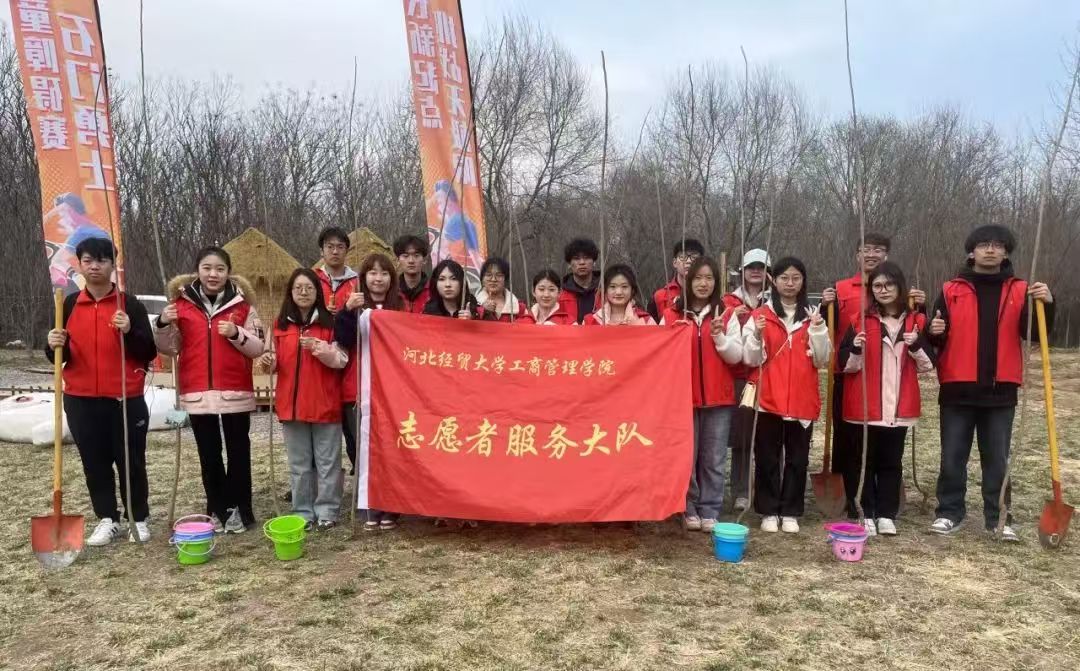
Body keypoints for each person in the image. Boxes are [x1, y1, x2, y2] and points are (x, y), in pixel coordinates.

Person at [927, 225, 1053, 542]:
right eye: (984, 244)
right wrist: (933, 330)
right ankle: (949, 512)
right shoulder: (950, 290)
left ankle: (998, 517)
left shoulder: (1021, 289)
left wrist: (1047, 304)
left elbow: (1034, 334)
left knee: (997, 459)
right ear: (972, 252)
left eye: (998, 245)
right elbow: (936, 338)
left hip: (1000, 390)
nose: (991, 250)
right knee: (952, 456)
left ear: (1006, 252)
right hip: (957, 387)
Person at [45, 237, 156, 545]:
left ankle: (138, 517)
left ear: (112, 265)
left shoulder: (129, 305)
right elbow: (59, 355)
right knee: (94, 462)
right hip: (80, 399)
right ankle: (108, 518)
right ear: (79, 264)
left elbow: (147, 351)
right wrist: (52, 344)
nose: (95, 266)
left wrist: (129, 330)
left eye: (102, 260)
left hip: (124, 398)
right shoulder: (67, 305)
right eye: (88, 260)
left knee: (131, 460)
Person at [154, 247, 265, 534]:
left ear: (228, 272)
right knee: (209, 454)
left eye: (219, 269)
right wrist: (163, 323)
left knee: (239, 453)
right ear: (197, 270)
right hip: (197, 391)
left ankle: (241, 509)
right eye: (207, 268)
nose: (213, 274)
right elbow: (169, 348)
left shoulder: (243, 306)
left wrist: (236, 333)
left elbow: (258, 347)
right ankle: (217, 508)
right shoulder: (181, 305)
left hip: (235, 389)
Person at [820, 233, 925, 515]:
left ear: (886, 255)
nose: (871, 254)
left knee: (884, 442)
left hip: (890, 375)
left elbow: (917, 330)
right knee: (848, 438)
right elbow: (827, 324)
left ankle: (883, 496)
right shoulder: (841, 288)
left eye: (878, 250)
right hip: (849, 369)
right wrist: (825, 306)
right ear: (857, 255)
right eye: (865, 249)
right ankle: (849, 493)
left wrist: (921, 307)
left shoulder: (902, 292)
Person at [837, 262, 933, 537]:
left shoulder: (917, 321)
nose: (883, 290)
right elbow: (846, 366)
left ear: (899, 286)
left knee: (891, 461)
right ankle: (864, 511)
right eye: (877, 285)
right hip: (865, 405)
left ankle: (886, 513)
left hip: (899, 404)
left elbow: (928, 365)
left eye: (889, 284)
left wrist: (916, 345)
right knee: (863, 461)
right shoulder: (859, 320)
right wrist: (856, 349)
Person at [742, 256, 831, 534]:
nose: (790, 283)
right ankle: (768, 509)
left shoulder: (813, 316)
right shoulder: (761, 315)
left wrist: (818, 329)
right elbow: (750, 359)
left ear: (803, 281)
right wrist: (756, 336)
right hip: (768, 398)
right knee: (767, 457)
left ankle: (791, 510)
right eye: (784, 278)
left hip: (802, 398)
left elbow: (822, 359)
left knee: (798, 458)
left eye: (796, 278)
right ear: (774, 281)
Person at [258, 269, 349, 531]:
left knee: (327, 463)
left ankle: (328, 510)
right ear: (291, 292)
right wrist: (268, 361)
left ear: (317, 292)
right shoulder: (279, 325)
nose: (304, 292)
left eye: (309, 287)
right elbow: (270, 360)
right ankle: (303, 512)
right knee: (299, 465)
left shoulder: (331, 323)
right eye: (298, 288)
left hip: (324, 404)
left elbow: (342, 360)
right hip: (292, 406)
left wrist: (321, 348)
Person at [661, 256, 743, 532]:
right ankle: (688, 507)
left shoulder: (726, 314)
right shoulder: (672, 314)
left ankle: (710, 509)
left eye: (709, 278)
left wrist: (719, 337)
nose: (703, 283)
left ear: (716, 282)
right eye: (697, 278)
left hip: (718, 399)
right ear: (688, 281)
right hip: (682, 399)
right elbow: (659, 354)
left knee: (714, 458)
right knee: (686, 456)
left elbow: (736, 357)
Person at [335, 252, 404, 530]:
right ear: (364, 277)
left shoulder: (400, 307)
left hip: (393, 391)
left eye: (384, 273)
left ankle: (391, 505)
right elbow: (342, 339)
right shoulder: (353, 304)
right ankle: (368, 503)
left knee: (391, 449)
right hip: (358, 388)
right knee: (361, 447)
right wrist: (347, 311)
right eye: (373, 273)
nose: (378, 278)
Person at [723, 248, 771, 512]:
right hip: (741, 378)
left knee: (769, 437)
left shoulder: (775, 301)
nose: (755, 271)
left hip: (770, 375)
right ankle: (741, 489)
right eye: (751, 267)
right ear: (742, 271)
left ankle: (765, 487)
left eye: (761, 267)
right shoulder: (728, 301)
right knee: (742, 436)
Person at [314, 226, 361, 470]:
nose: (335, 251)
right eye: (329, 247)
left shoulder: (358, 282)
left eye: (340, 247)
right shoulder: (311, 280)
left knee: (354, 427)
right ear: (321, 251)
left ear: (346, 250)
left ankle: (358, 472)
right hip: (319, 359)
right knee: (323, 429)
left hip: (351, 359)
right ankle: (322, 479)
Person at [649, 238, 705, 322]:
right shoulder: (660, 297)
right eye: (683, 257)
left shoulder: (708, 294)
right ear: (674, 262)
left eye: (694, 257)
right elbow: (651, 328)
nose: (688, 261)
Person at [582, 264, 656, 326]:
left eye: (624, 286)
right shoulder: (590, 321)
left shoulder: (646, 321)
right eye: (612, 287)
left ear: (632, 290)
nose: (618, 292)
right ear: (605, 290)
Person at [557, 238, 602, 324]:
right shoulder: (560, 295)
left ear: (594, 262)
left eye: (586, 258)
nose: (582, 262)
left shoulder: (606, 291)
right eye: (576, 258)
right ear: (569, 264)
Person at [476, 256, 526, 322]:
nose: (493, 279)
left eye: (499, 275)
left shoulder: (519, 307)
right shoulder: (474, 305)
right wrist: (482, 310)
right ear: (482, 279)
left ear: (506, 279)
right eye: (488, 275)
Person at [394, 234, 431, 314]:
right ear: (397, 260)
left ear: (425, 260)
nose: (411, 261)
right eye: (405, 256)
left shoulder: (434, 291)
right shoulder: (391, 291)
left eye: (416, 256)